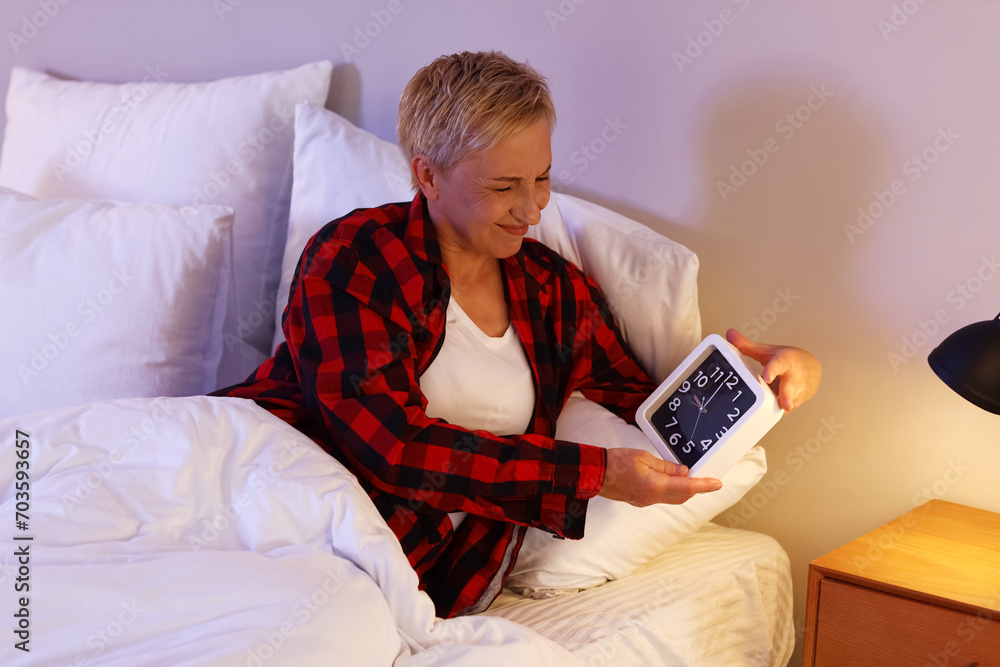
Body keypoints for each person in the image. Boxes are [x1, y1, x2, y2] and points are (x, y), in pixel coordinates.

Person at [214, 51, 821, 618]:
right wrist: (592, 473)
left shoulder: (551, 290)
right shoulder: (356, 258)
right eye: (504, 188)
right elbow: (391, 447)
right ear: (427, 174)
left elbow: (648, 407)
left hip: (399, 571)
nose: (532, 210)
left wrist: (763, 373)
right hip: (266, 503)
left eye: (542, 179)